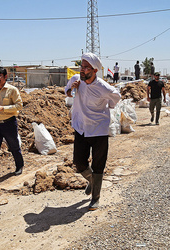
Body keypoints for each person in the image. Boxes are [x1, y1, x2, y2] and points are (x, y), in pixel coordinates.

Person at [65, 53, 121, 211]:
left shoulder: (103, 87)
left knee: (98, 165)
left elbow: (115, 97)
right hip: (81, 127)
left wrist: (107, 106)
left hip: (99, 129)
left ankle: (95, 198)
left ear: (94, 70)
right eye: (81, 67)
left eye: (85, 67)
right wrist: (72, 90)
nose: (82, 70)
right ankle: (92, 180)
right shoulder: (76, 79)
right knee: (79, 162)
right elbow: (67, 92)